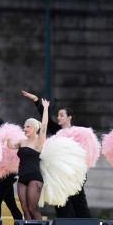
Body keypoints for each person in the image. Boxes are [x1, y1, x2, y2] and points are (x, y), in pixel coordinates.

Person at [21, 90, 91, 218]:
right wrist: (36, 100)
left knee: (79, 200)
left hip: (74, 171)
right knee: (61, 201)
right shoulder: (56, 130)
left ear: (69, 118)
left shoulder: (78, 133)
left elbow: (86, 151)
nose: (58, 117)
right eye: (58, 115)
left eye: (61, 115)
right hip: (59, 173)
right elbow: (45, 120)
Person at [6, 99, 49, 220]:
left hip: (35, 177)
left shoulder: (39, 141)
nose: (25, 128)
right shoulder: (21, 141)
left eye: (28, 126)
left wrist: (45, 108)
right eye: (24, 126)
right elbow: (10, 146)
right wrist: (7, 136)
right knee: (24, 207)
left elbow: (44, 124)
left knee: (32, 208)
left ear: (35, 128)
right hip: (22, 177)